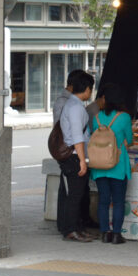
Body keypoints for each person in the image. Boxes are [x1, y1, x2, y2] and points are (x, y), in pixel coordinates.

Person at [89, 84, 132, 244]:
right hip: (118, 164)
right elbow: (130, 139)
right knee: (118, 200)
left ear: (105, 99)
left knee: (103, 200)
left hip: (99, 164)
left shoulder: (97, 117)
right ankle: (116, 234)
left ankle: (104, 233)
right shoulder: (125, 117)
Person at [57, 70, 96, 242]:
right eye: (91, 88)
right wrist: (82, 161)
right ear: (87, 89)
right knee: (74, 195)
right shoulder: (75, 108)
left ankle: (78, 228)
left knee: (78, 194)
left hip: (75, 155)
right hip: (74, 156)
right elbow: (77, 137)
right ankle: (71, 230)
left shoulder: (74, 105)